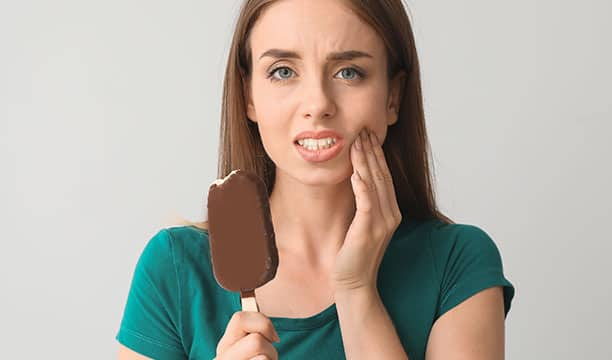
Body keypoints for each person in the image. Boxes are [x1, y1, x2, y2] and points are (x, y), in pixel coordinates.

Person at [116, 0, 516, 359]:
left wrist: (357, 290)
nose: (318, 104)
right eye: (283, 71)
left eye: (349, 71)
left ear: (392, 96)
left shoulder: (457, 264)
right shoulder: (173, 269)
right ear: (249, 95)